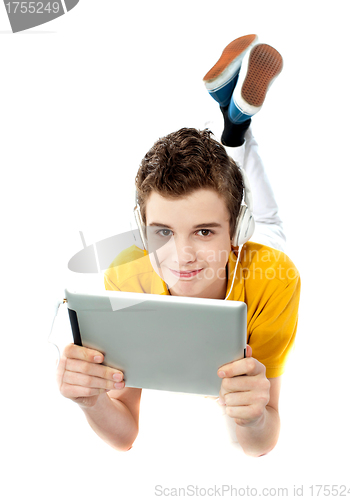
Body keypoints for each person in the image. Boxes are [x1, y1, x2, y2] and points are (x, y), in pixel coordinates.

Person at [56, 35, 301, 457]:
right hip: (232, 238)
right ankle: (236, 123)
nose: (182, 257)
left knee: (271, 221)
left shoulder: (273, 278)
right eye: (163, 232)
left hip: (256, 252)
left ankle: (236, 126)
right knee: (228, 185)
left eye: (205, 232)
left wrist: (255, 416)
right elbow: (125, 435)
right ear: (142, 227)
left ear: (235, 231)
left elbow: (259, 445)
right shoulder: (125, 278)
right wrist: (91, 400)